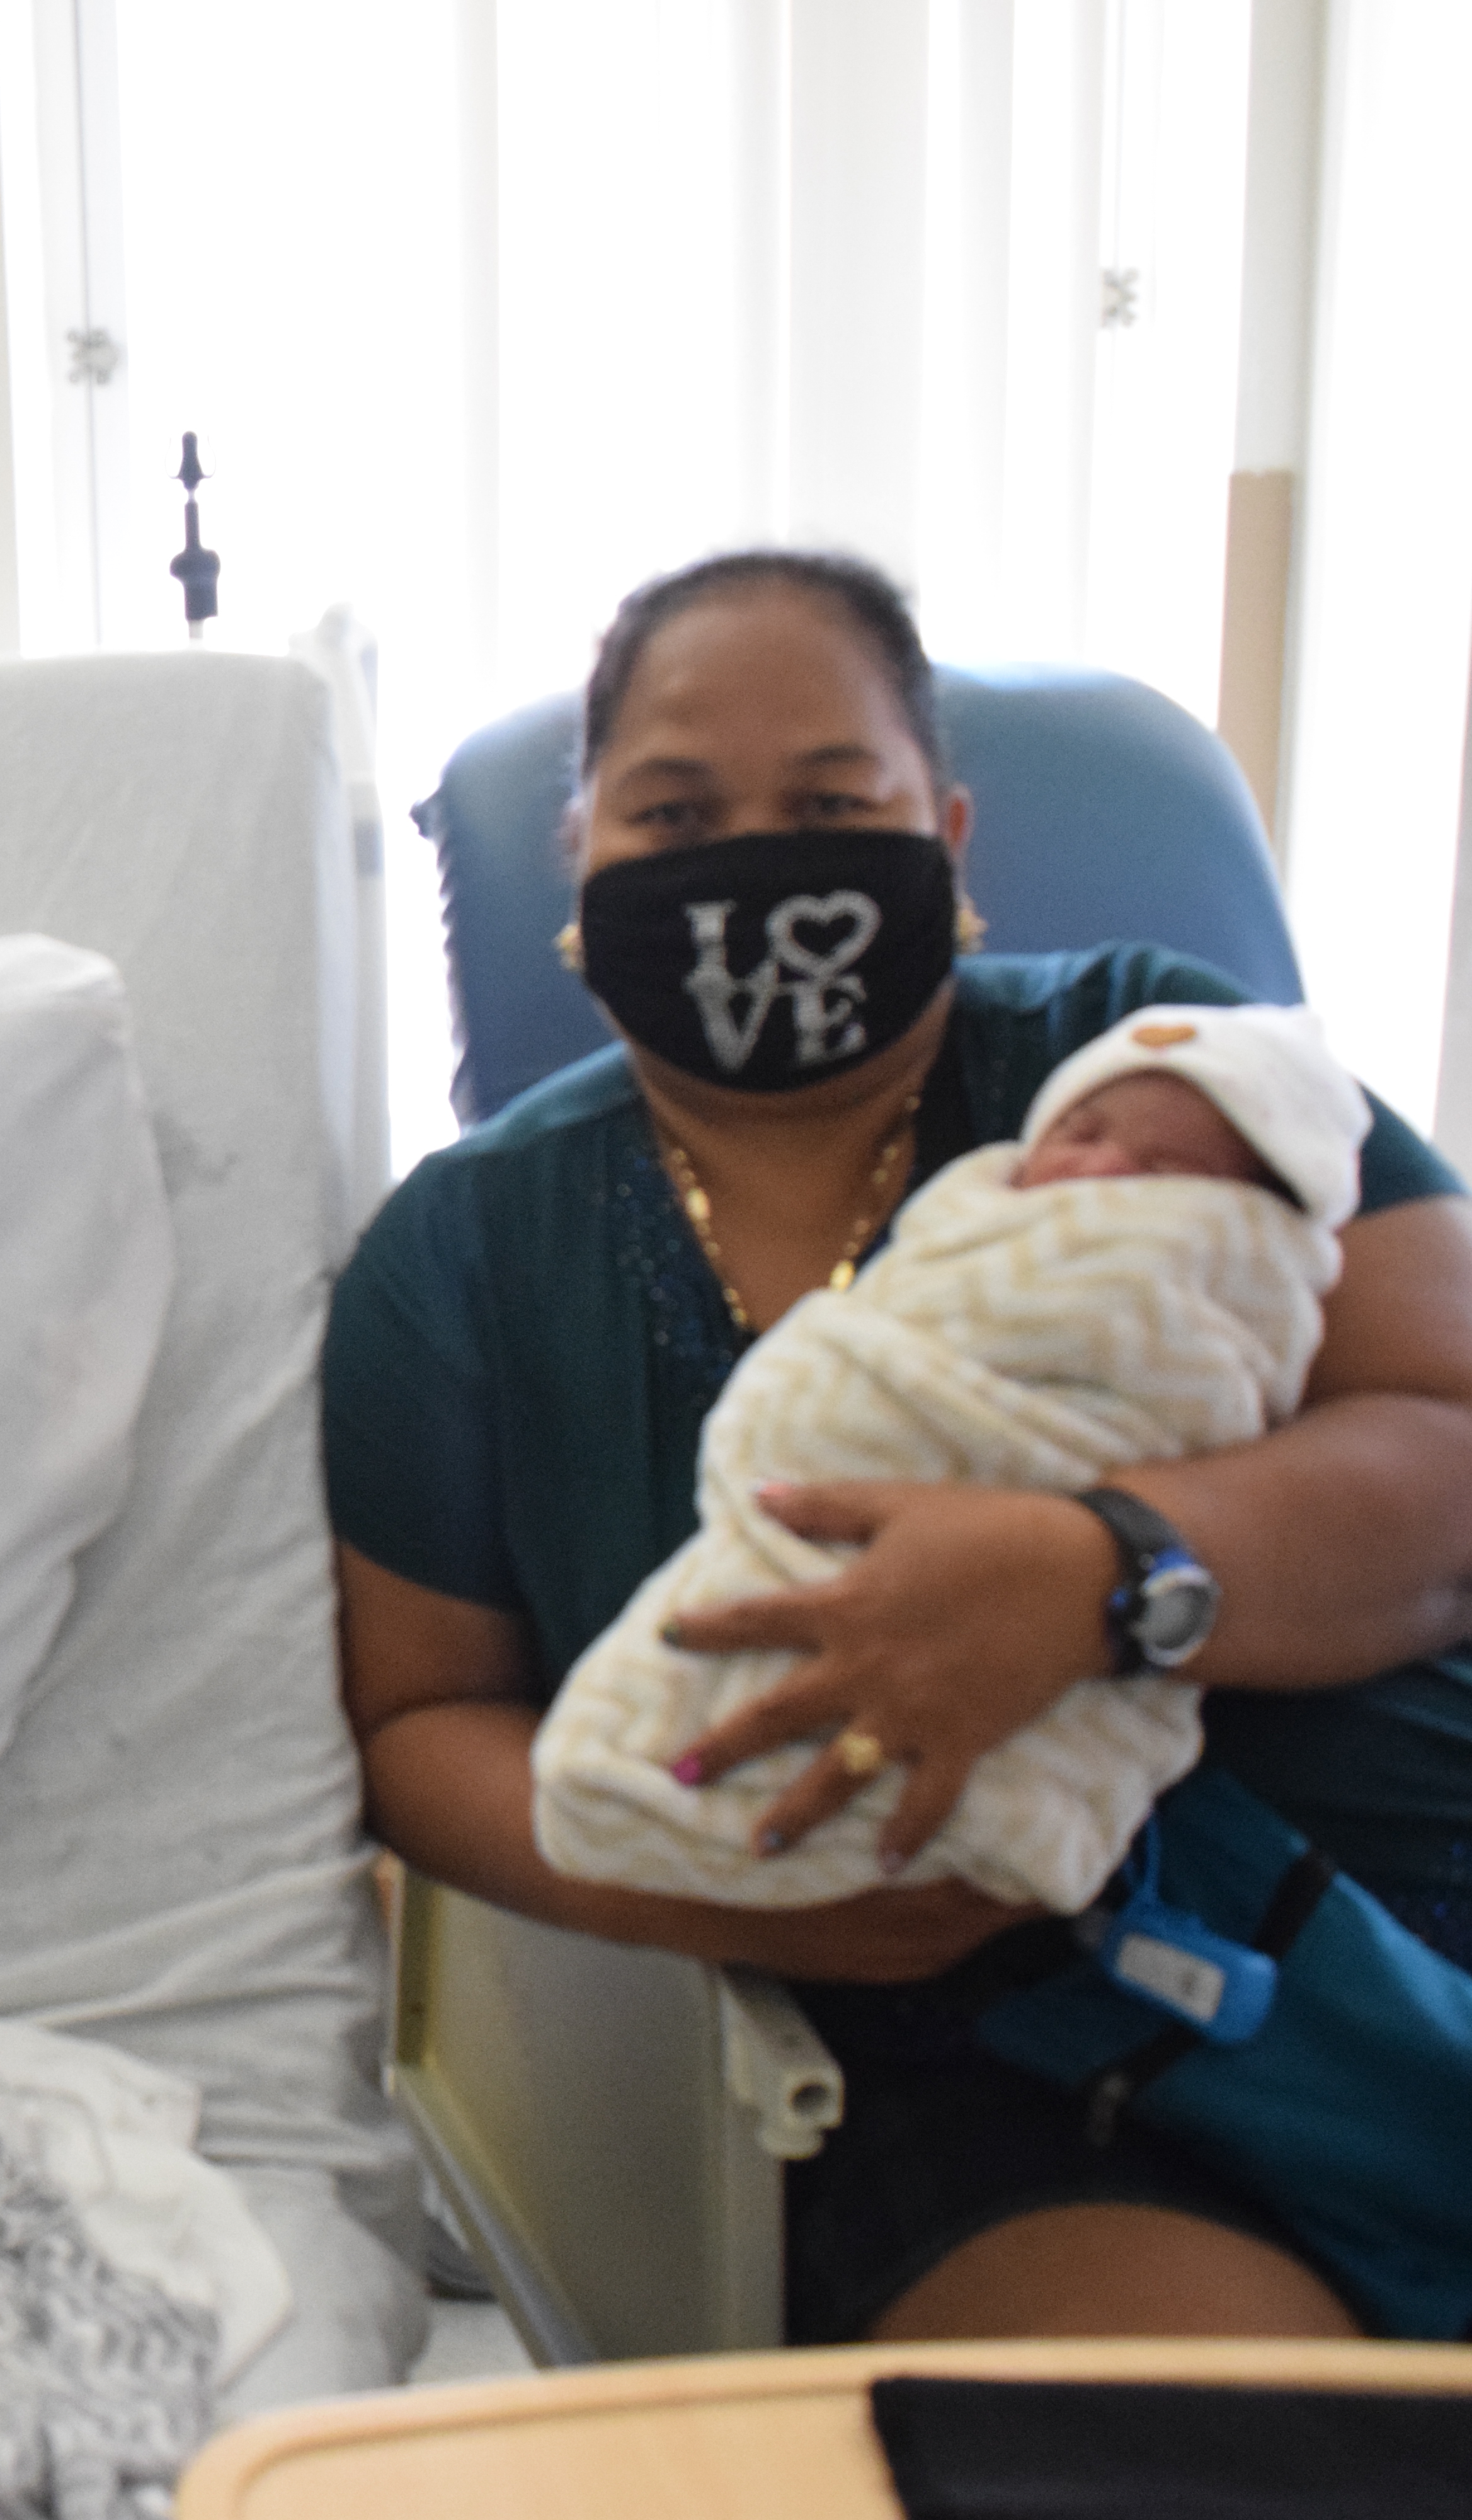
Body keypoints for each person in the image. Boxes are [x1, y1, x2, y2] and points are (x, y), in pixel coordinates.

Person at [329, 548, 1472, 2344]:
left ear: (944, 837)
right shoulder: (465, 1255)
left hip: (1407, 1877)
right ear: (581, 865)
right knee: (1225, 2447)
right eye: (677, 808)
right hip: (965, 2035)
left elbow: (1451, 1449)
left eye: (830, 801)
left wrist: (1108, 1572)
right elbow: (414, 1725)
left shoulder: (1161, 1068)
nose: (752, 856)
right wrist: (700, 1887)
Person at [534, 1003, 1370, 1913]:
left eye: (1170, 1171)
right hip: (819, 1526)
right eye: (1082, 1134)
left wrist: (1090, 1569)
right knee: (646, 1727)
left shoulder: (1134, 1029)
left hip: (1253, 1886)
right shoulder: (495, 1210)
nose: (1106, 1173)